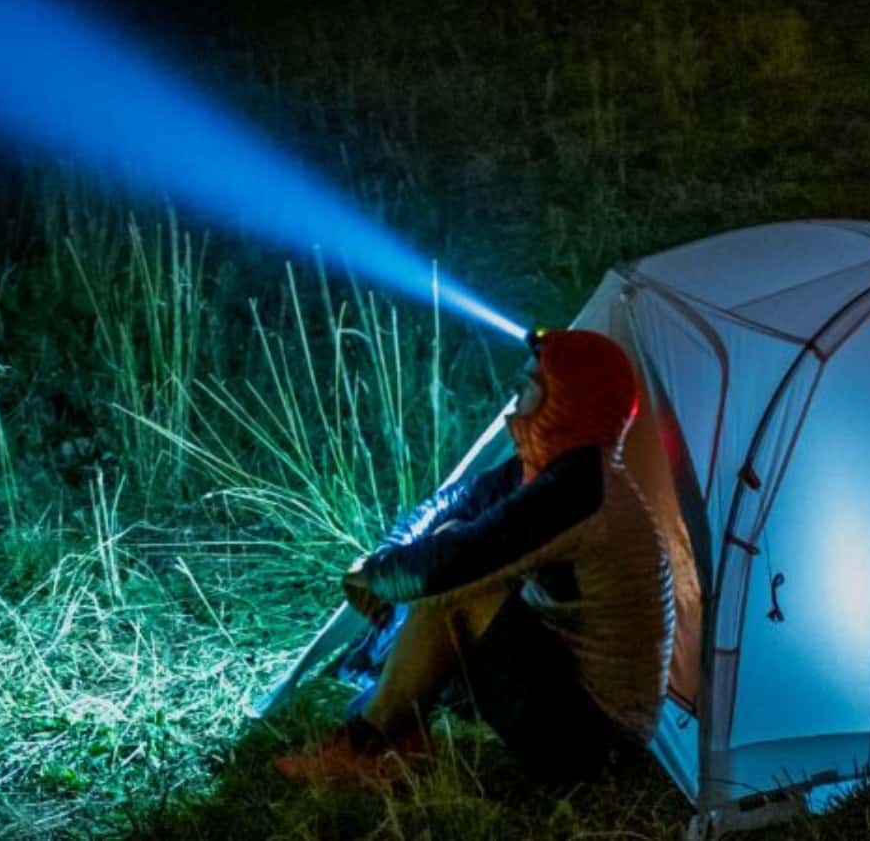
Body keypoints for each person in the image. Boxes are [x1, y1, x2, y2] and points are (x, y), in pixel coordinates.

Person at [273, 327, 675, 785]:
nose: (514, 402)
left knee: (460, 588)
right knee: (450, 538)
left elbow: (448, 566)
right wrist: (387, 555)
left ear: (565, 401)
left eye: (527, 390)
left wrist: (376, 575)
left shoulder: (579, 491)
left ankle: (367, 743)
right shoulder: (554, 474)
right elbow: (447, 507)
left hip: (602, 751)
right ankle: (405, 739)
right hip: (571, 705)